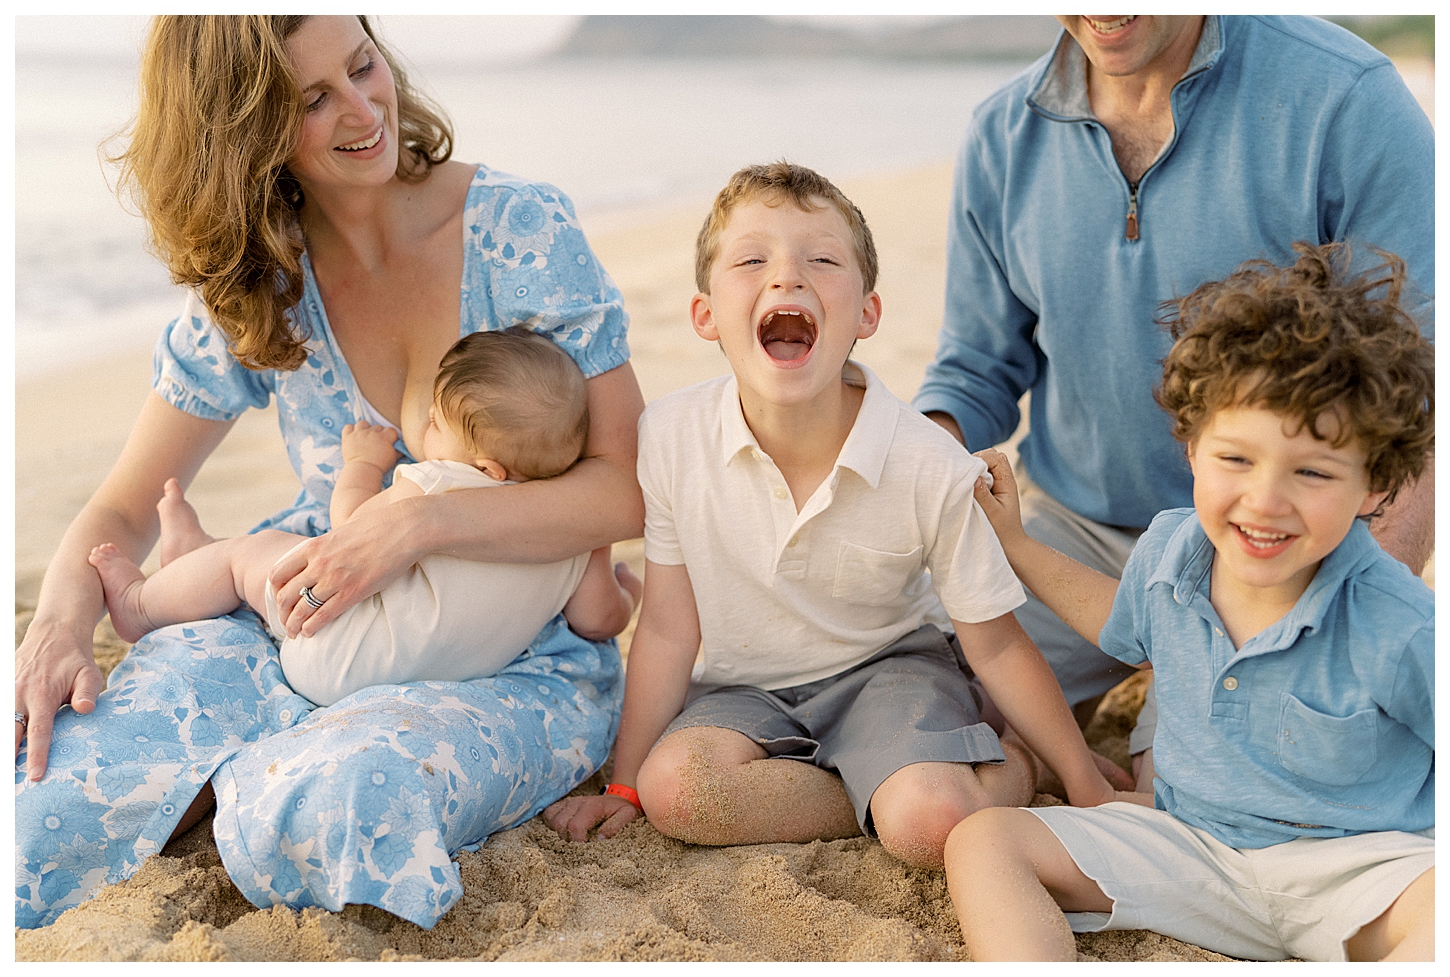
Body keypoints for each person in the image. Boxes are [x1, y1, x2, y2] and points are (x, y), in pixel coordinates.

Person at [15, 15, 646, 930]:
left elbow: (622, 487)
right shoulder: (262, 274)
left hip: (506, 653)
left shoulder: (521, 229)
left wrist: (418, 522)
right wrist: (59, 624)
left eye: (363, 65)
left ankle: (248, 781)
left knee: (333, 802)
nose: (364, 109)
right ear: (245, 132)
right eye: (314, 98)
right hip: (306, 613)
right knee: (46, 805)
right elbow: (121, 502)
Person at [543, 162, 1132, 865]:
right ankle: (873, 786)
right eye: (752, 259)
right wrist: (626, 785)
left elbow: (997, 645)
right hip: (746, 690)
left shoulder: (927, 462)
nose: (787, 277)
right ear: (705, 314)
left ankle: (1012, 763)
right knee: (678, 791)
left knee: (928, 823)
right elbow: (668, 628)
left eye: (821, 260)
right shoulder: (670, 437)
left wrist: (1081, 775)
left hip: (893, 673)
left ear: (867, 313)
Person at [911, 14, 1436, 787]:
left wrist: (1342, 615)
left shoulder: (1347, 100)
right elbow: (978, 366)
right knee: (939, 725)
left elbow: (1406, 391)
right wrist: (899, 467)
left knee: (1197, 779)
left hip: (1275, 539)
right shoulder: (1000, 134)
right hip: (1071, 528)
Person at [946, 243, 1434, 961]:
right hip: (1190, 847)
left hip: (1354, 868)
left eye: (1312, 471)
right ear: (1192, 447)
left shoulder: (1395, 619)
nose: (1266, 500)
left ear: (1373, 484)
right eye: (1237, 459)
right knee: (984, 838)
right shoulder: (1174, 553)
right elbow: (1113, 611)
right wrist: (1016, 542)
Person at [86, 328, 643, 707]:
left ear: (489, 469)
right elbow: (599, 620)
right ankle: (196, 560)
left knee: (246, 559)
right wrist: (622, 588)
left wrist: (362, 464)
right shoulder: (570, 533)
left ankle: (142, 605)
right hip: (439, 680)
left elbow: (349, 533)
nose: (424, 429)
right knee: (246, 568)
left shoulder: (434, 484)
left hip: (337, 652)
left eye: (435, 421)